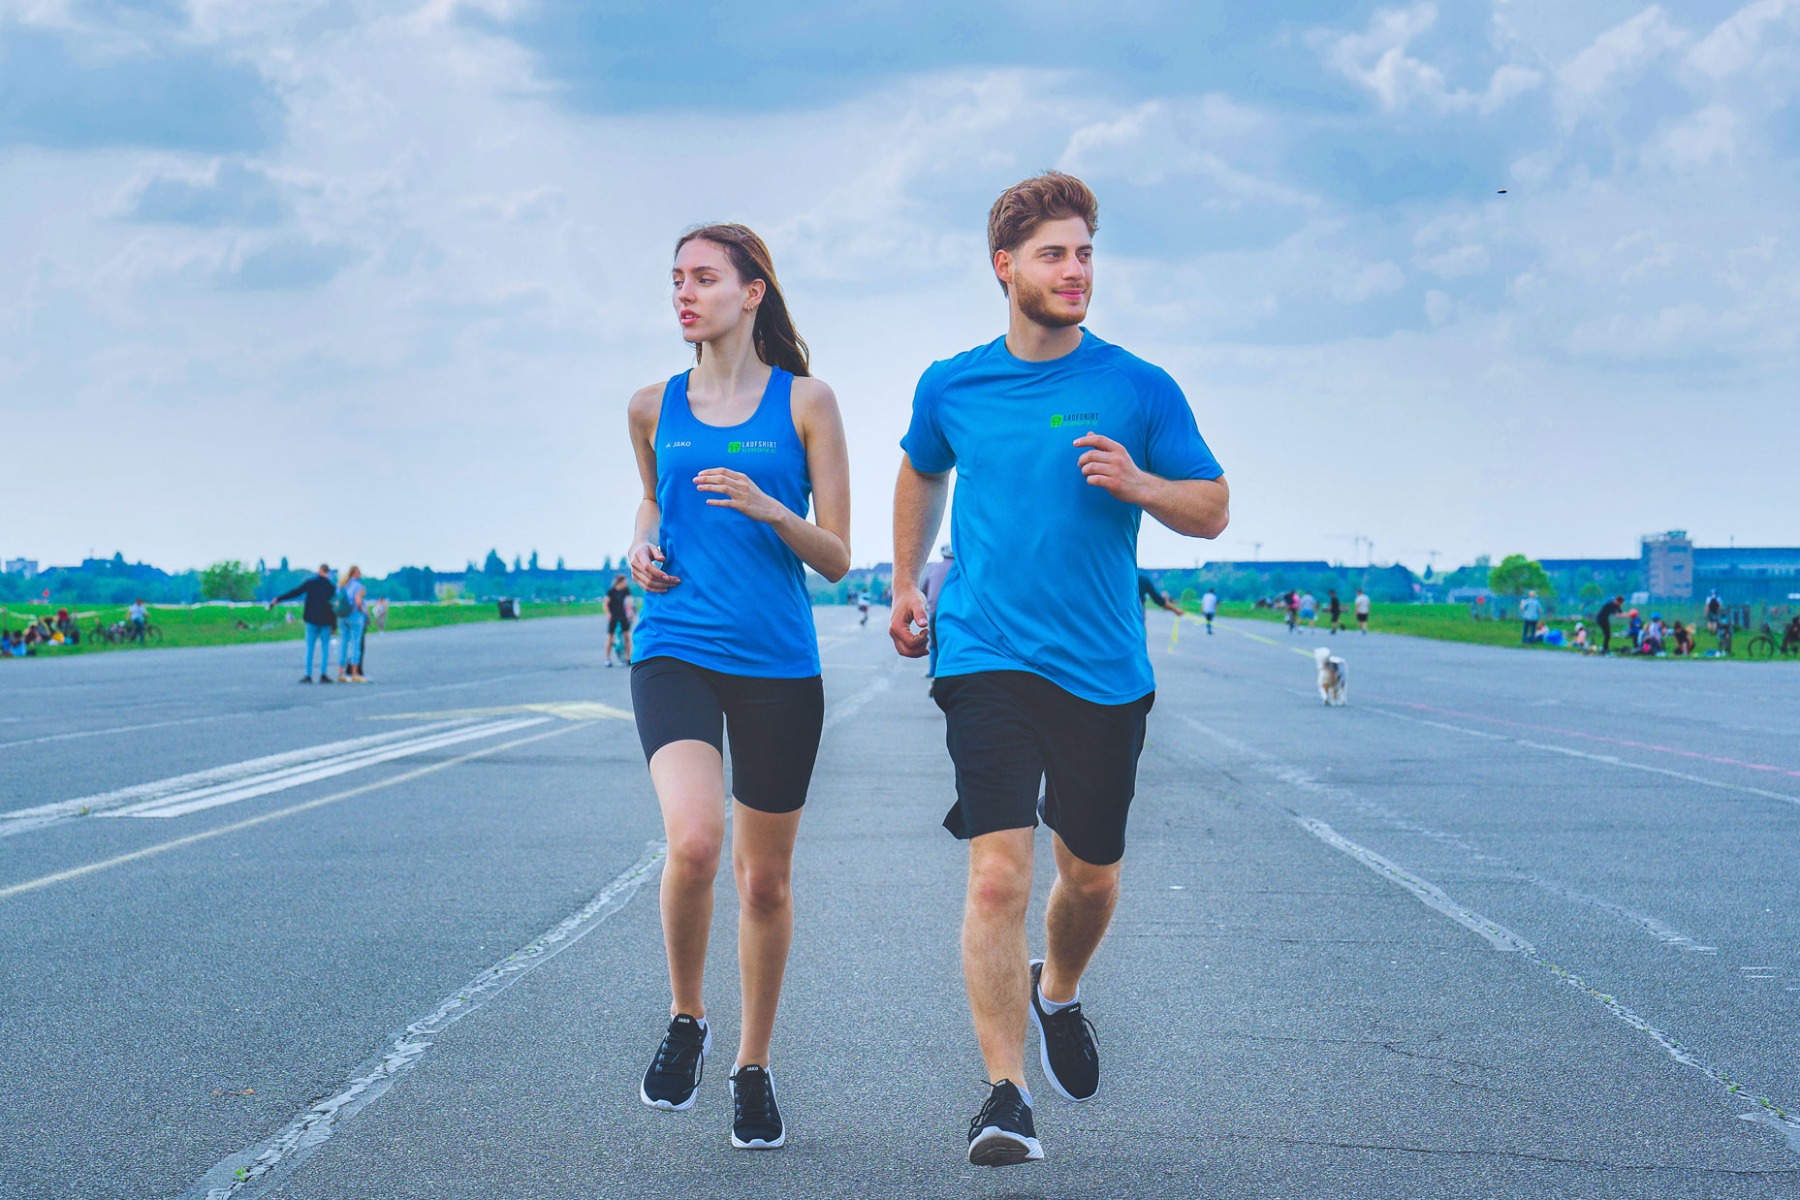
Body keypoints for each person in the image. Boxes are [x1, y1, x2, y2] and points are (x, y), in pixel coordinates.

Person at [888, 172, 1228, 1168]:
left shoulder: (1138, 386)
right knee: (997, 877)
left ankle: (1060, 990)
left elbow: (1210, 507)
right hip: (985, 654)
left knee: (1091, 874)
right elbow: (920, 465)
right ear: (1005, 268)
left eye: (1085, 253)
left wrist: (1140, 483)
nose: (1076, 270)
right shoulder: (953, 383)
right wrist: (909, 581)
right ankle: (1004, 1095)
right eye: (1054, 254)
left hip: (1102, 670)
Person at [626, 223, 850, 1151]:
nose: (685, 293)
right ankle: (688, 1017)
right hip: (674, 644)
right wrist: (637, 541)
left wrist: (771, 509)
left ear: (752, 292)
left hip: (777, 666)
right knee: (695, 839)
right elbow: (651, 494)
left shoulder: (807, 403)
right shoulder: (650, 404)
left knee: (764, 882)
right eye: (676, 278)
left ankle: (752, 1064)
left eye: (705, 278)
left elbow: (838, 556)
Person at [270, 564, 338, 683]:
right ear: (327, 572)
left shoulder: (310, 583)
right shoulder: (331, 587)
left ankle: (308, 674)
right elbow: (333, 607)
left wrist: (279, 599)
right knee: (325, 648)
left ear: (319, 570)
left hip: (311, 619)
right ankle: (323, 674)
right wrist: (334, 625)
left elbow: (295, 592)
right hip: (326, 621)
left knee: (310, 648)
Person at [920, 544, 955, 680]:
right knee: (952, 642)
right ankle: (951, 671)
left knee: (934, 642)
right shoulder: (960, 567)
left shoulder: (933, 568)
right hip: (956, 612)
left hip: (935, 610)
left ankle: (933, 671)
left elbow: (923, 589)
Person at [334, 566, 368, 682]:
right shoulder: (358, 586)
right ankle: (354, 673)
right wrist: (363, 611)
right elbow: (358, 601)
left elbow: (336, 600)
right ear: (356, 573)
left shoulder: (341, 585)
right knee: (355, 644)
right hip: (355, 616)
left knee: (343, 644)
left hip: (342, 616)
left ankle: (341, 673)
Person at [604, 573, 635, 666]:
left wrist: (630, 612)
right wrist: (608, 613)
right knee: (610, 637)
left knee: (626, 637)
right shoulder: (611, 591)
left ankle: (628, 657)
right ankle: (608, 659)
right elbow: (605, 604)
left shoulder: (626, 591)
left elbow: (629, 602)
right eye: (624, 581)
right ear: (620, 582)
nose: (626, 583)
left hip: (623, 616)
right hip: (614, 615)